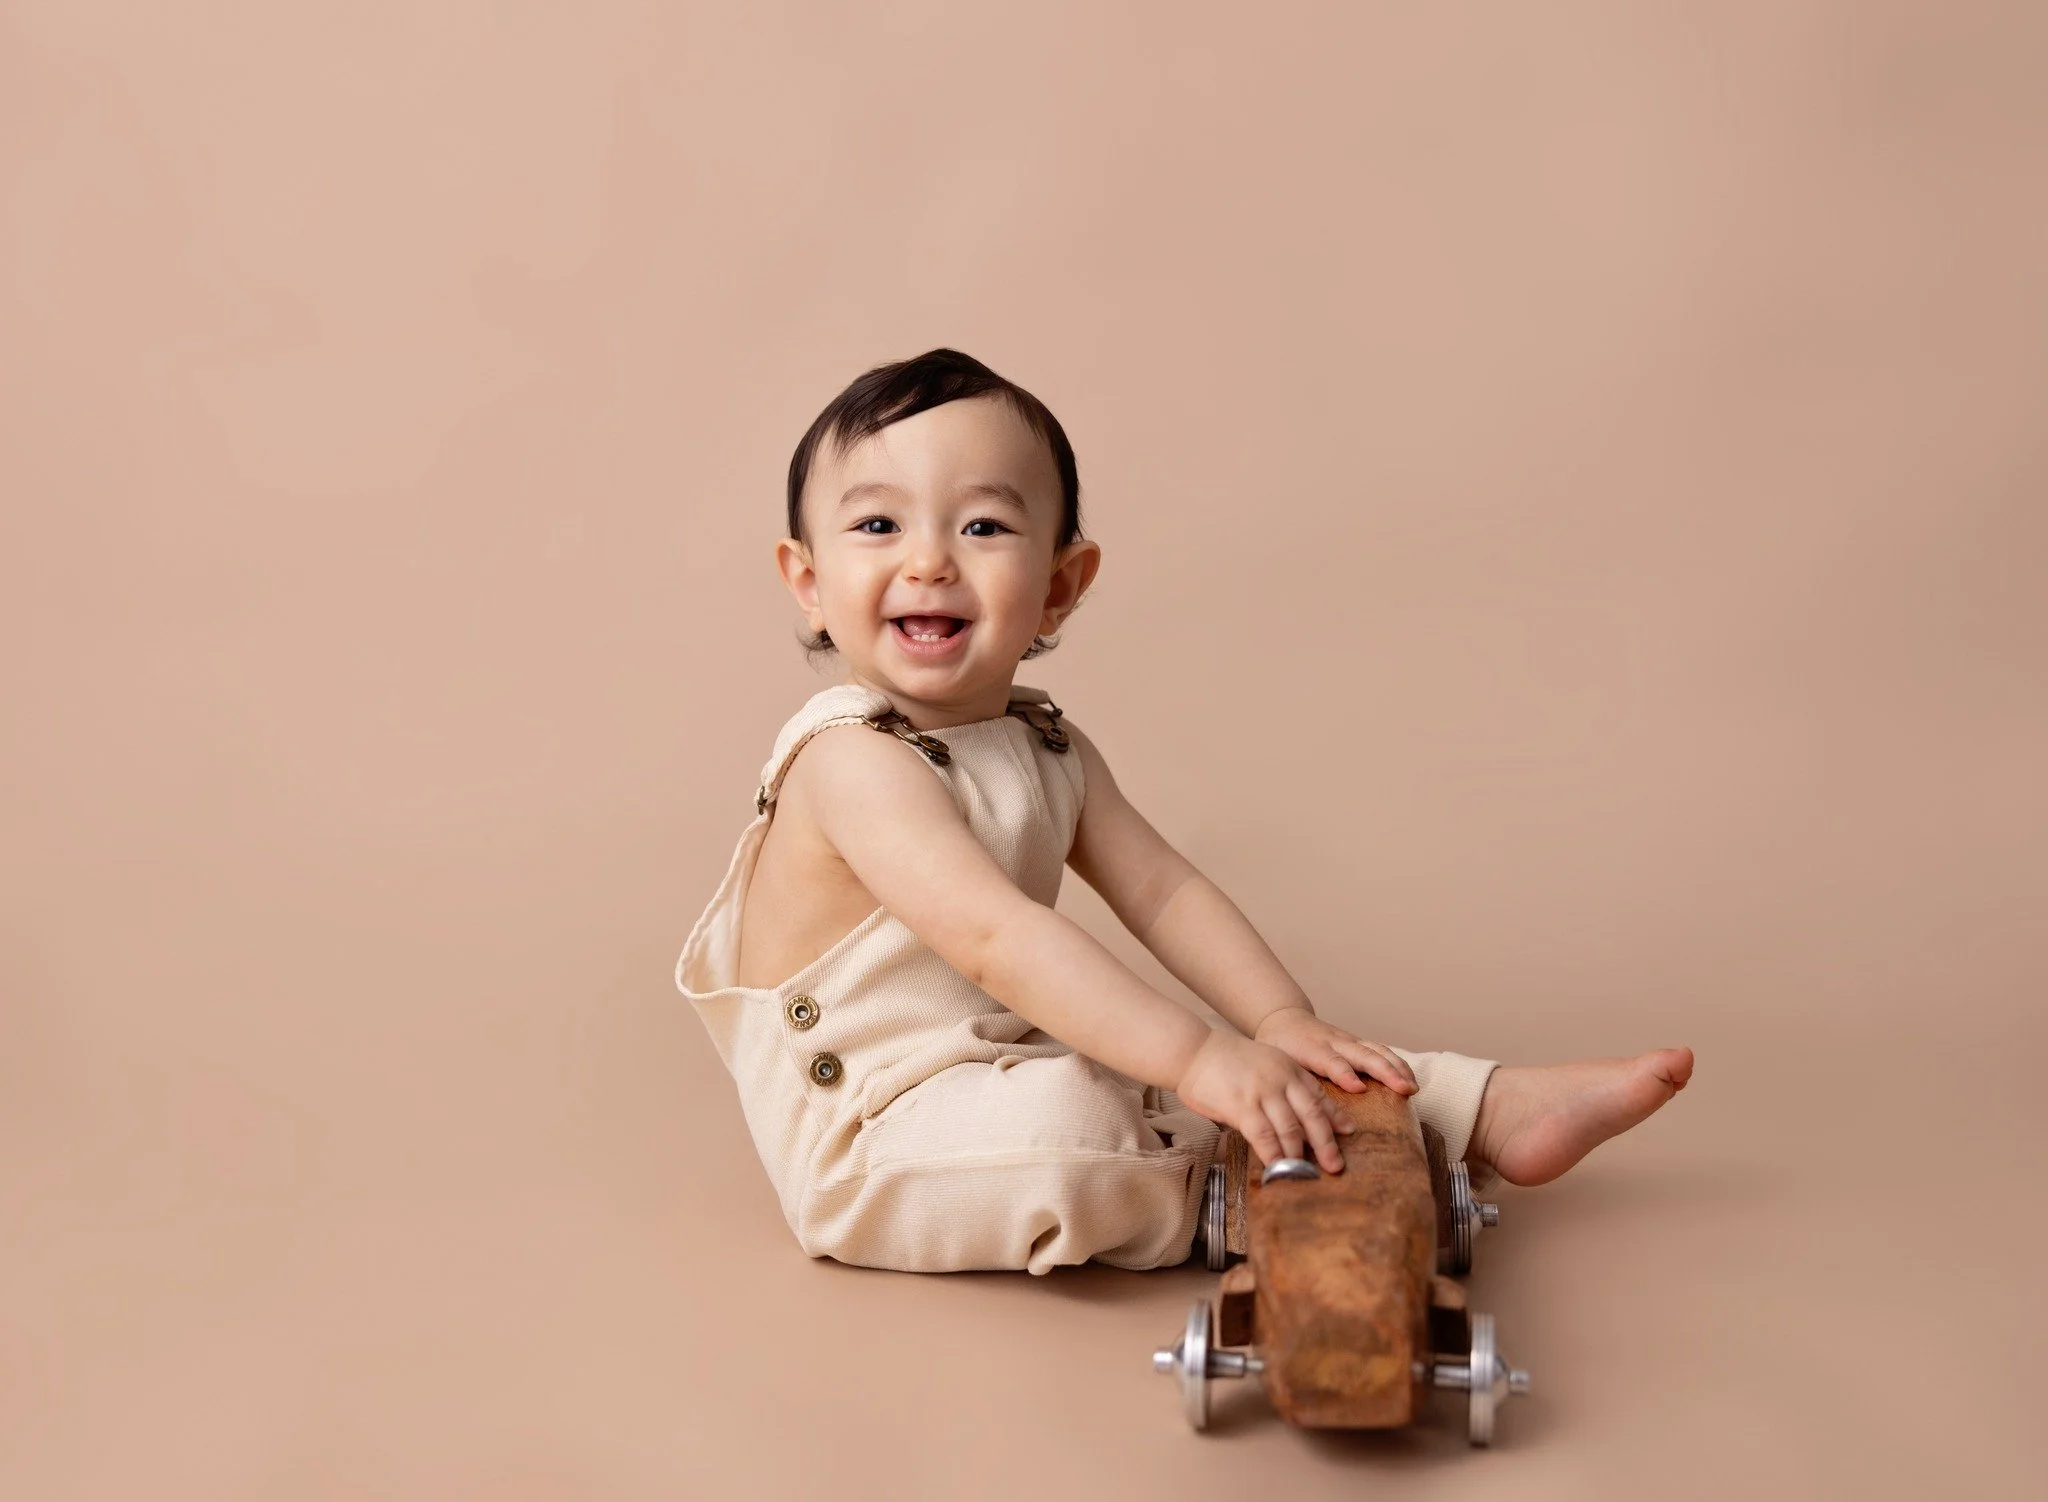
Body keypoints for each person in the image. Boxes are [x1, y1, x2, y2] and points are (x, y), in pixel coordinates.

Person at [675, 348, 1693, 1275]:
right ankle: (1225, 1202)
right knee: (1085, 1111)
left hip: (992, 1064)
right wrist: (1201, 1054)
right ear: (807, 581)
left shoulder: (1045, 745)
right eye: (877, 524)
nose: (930, 558)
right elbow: (996, 936)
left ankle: (1478, 1105)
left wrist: (1274, 1019)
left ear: (1061, 585)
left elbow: (1163, 890)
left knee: (1225, 1073)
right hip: (870, 1137)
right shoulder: (850, 761)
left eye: (981, 524)